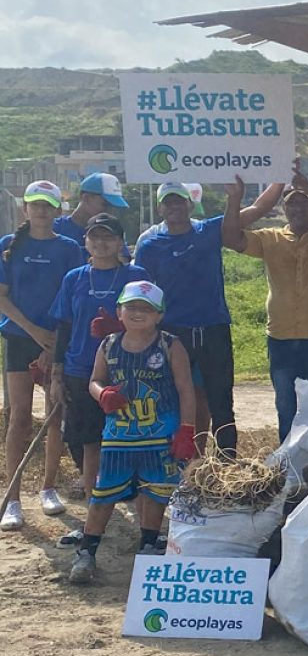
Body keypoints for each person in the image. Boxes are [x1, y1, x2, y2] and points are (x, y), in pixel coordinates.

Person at [68, 281, 196, 583]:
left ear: (159, 315)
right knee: (103, 493)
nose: (139, 313)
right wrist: (103, 395)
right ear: (119, 311)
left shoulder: (169, 344)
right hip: (118, 436)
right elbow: (94, 380)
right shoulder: (109, 344)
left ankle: (149, 543)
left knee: (156, 490)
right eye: (132, 307)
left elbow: (185, 387)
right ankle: (87, 551)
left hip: (160, 432)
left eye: (147, 308)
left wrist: (187, 430)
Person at [134, 182, 269, 457]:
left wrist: (276, 179)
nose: (174, 207)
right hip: (173, 333)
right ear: (160, 207)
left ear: (189, 204)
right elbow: (140, 294)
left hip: (213, 327)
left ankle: (226, 464)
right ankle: (172, 461)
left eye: (179, 201)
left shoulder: (208, 231)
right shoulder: (149, 246)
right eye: (168, 202)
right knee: (172, 398)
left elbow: (257, 210)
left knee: (220, 400)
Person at [222, 169, 308, 441]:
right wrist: (235, 199)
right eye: (291, 202)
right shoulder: (270, 238)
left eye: (304, 201)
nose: (298, 207)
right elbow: (230, 237)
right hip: (282, 339)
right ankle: (291, 467)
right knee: (287, 407)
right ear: (283, 208)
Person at [49, 214, 151, 506]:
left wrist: (120, 328)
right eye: (95, 237)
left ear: (120, 241)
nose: (101, 243)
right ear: (86, 242)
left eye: (108, 237)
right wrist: (57, 374)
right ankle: (95, 494)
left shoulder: (136, 275)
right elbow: (64, 326)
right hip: (80, 367)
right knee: (84, 436)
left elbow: (154, 319)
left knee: (128, 432)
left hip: (129, 368)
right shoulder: (75, 277)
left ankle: (129, 488)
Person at [0, 182, 84, 531]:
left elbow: (74, 297)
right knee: (19, 416)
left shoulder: (68, 248)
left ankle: (48, 488)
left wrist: (55, 342)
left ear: (57, 211)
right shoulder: (9, 246)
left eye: (48, 206)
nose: (41, 211)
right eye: (35, 205)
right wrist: (35, 332)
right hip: (21, 338)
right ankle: (13, 496)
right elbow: (3, 297)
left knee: (55, 414)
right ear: (25, 209)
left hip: (57, 341)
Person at [53, 173, 131, 258]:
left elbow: (123, 263)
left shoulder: (113, 233)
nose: (109, 211)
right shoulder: (54, 229)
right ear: (86, 198)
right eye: (105, 205)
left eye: (113, 207)